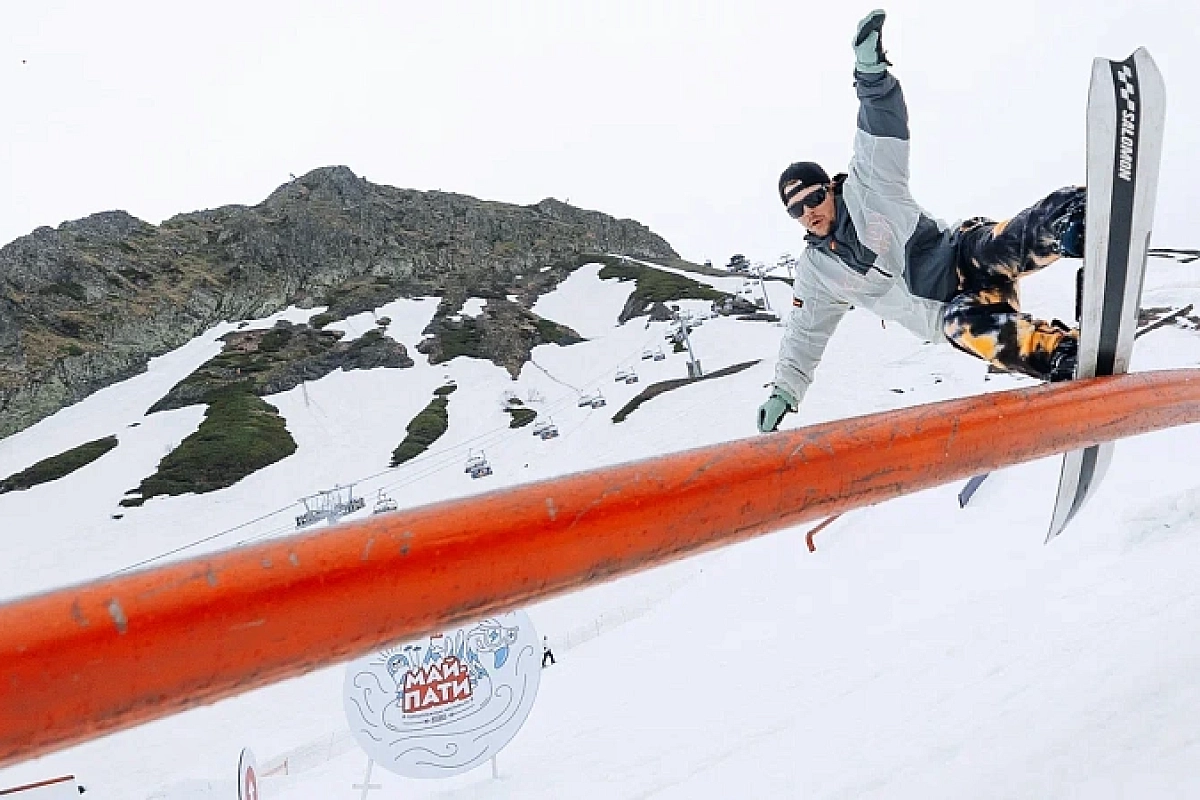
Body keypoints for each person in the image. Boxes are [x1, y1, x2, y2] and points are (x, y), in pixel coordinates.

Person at [758, 9, 1086, 434]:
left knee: (1001, 243)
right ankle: (1062, 354)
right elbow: (804, 335)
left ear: (831, 190)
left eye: (815, 198)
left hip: (961, 257)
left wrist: (870, 73)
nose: (810, 212)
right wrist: (784, 392)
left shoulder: (870, 184)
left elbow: (882, 125)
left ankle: (1070, 217)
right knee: (967, 330)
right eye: (797, 210)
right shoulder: (818, 275)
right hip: (954, 309)